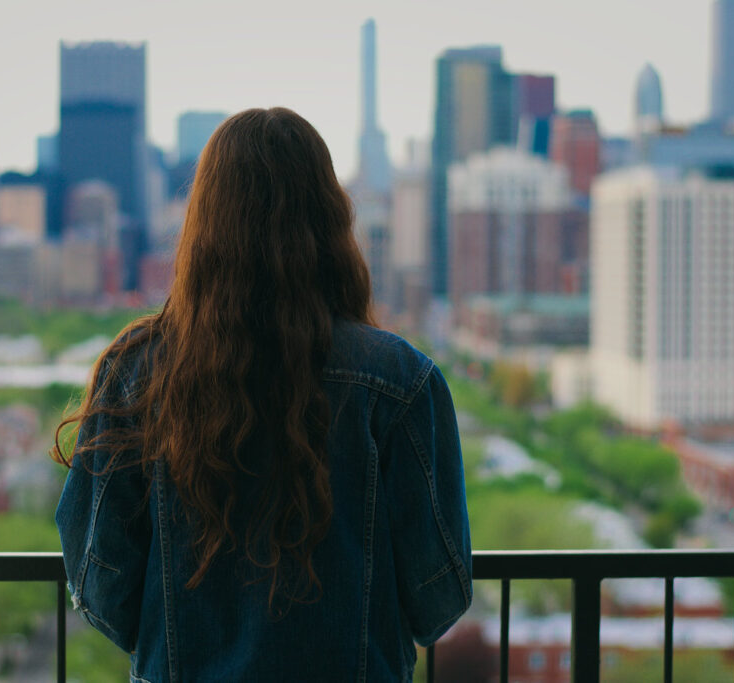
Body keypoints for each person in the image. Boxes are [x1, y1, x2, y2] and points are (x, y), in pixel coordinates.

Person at [54, 107, 471, 682]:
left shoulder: (137, 372)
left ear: (202, 221)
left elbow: (101, 579)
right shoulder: (400, 381)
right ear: (330, 219)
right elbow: (439, 593)